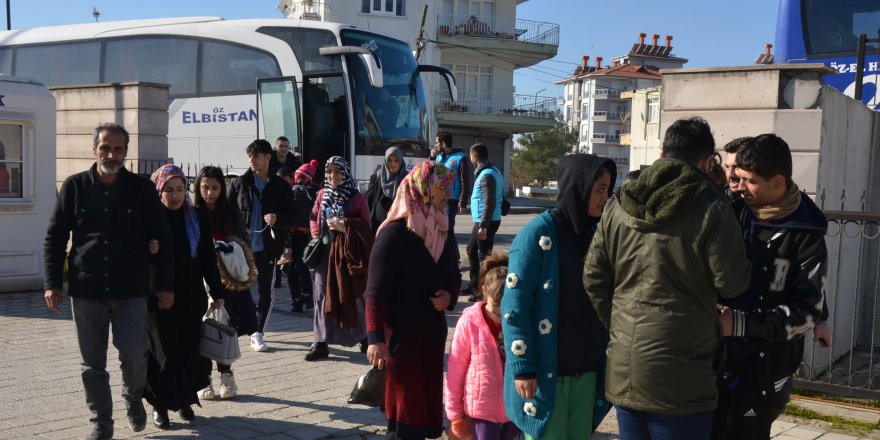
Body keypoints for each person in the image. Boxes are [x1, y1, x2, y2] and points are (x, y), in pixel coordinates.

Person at [583, 117, 752, 440]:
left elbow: (593, 277)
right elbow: (733, 283)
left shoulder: (619, 202)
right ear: (706, 162)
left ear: (662, 155)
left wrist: (619, 325)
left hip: (626, 364)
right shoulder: (712, 206)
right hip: (684, 372)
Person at [43, 122, 174, 440]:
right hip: (87, 290)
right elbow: (55, 235)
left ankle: (133, 397)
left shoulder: (141, 189)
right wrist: (52, 282)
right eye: (105, 147)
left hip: (131, 289)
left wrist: (165, 285)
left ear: (126, 152)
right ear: (94, 149)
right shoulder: (74, 187)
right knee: (92, 363)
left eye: (118, 148)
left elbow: (163, 237)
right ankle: (101, 421)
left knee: (133, 354)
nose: (111, 154)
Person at [711, 134, 828, 440]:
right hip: (716, 360)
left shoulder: (807, 234)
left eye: (749, 180)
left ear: (777, 182)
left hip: (765, 369)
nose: (739, 185)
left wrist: (738, 324)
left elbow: (806, 312)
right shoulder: (733, 211)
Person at [501, 154, 616, 440]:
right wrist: (522, 368)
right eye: (599, 189)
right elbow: (515, 307)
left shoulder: (597, 235)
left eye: (608, 189)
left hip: (586, 374)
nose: (606, 197)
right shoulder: (537, 235)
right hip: (544, 378)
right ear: (580, 186)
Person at [365, 161, 461, 440]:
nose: (447, 195)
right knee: (406, 415)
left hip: (431, 336)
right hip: (401, 340)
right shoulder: (394, 234)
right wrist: (374, 338)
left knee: (424, 412)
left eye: (448, 189)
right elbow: (375, 290)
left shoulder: (443, 229)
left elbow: (454, 275)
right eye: (443, 189)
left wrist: (450, 296)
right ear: (424, 189)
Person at [144, 165, 226, 428]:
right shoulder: (150, 221)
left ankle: (185, 400)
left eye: (180, 189)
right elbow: (132, 257)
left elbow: (207, 258)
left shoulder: (197, 217)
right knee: (164, 352)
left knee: (189, 351)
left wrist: (217, 291)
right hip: (159, 297)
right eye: (169, 189)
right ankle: (160, 406)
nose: (176, 195)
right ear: (158, 191)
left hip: (191, 296)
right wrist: (148, 248)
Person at [193, 165, 259, 400]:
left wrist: (226, 248)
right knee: (199, 329)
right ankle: (202, 380)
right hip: (197, 278)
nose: (209, 193)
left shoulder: (230, 213)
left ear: (222, 188)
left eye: (214, 188)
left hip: (226, 279)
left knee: (223, 329)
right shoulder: (191, 211)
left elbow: (242, 243)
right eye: (205, 187)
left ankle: (226, 375)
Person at [228, 139, 297, 352]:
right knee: (240, 288)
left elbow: (293, 217)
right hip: (242, 248)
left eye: (256, 156)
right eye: (249, 156)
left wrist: (277, 219)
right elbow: (227, 213)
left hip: (268, 247)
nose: (252, 160)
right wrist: (238, 229)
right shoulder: (240, 183)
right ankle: (239, 325)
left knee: (266, 289)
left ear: (268, 157)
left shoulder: (280, 186)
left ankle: (257, 331)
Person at [446, 252, 520, 440]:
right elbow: (456, 369)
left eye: (506, 305)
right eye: (496, 306)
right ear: (484, 291)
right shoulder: (470, 321)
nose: (501, 312)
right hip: (482, 409)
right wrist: (455, 413)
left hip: (514, 406)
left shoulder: (520, 320)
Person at [306, 156, 372, 361]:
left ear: (345, 173)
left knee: (352, 295)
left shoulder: (356, 198)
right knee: (320, 296)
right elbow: (313, 217)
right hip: (324, 255)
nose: (332, 176)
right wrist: (316, 235)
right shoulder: (321, 194)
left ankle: (364, 336)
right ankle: (320, 341)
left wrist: (345, 225)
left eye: (337, 171)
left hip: (346, 255)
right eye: (329, 172)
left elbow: (366, 226)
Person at [466, 143, 502, 302]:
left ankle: (483, 292)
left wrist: (483, 226)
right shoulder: (491, 171)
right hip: (485, 220)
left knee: (484, 258)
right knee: (471, 250)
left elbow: (490, 201)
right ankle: (475, 285)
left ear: (474, 156)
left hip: (485, 221)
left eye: (470, 155)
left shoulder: (487, 174)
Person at [284, 160, 320, 313]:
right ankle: (297, 299)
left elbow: (315, 214)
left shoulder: (316, 192)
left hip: (305, 236)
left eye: (302, 177)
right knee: (291, 269)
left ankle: (306, 296)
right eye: (298, 176)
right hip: (293, 235)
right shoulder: (293, 191)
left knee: (301, 265)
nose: (299, 180)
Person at [431, 131, 472, 247]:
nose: (436, 145)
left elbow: (465, 181)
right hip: (438, 198)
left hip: (451, 200)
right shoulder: (438, 157)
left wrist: (463, 201)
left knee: (447, 228)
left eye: (437, 143)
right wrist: (431, 158)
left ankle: (451, 257)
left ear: (443, 144)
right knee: (440, 229)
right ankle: (453, 257)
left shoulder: (460, 158)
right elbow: (432, 175)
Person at [366, 146, 407, 236]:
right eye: (390, 160)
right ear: (385, 161)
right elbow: (368, 201)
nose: (393, 164)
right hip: (378, 225)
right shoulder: (377, 177)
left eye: (396, 161)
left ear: (400, 161)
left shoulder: (406, 179)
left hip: (400, 226)